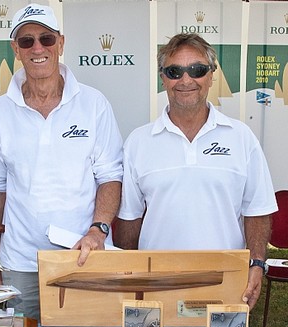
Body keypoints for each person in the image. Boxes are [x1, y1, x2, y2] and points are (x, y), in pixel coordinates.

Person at [0, 3, 123, 320]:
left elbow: (110, 177)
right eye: (27, 41)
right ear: (15, 49)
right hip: (19, 260)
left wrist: (98, 231)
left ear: (61, 42)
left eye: (46, 38)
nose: (38, 48)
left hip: (83, 256)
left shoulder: (94, 104)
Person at [113, 33, 277, 309]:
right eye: (175, 71)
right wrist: (130, 278)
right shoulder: (138, 142)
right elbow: (129, 222)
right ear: (163, 78)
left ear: (212, 76)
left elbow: (257, 210)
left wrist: (257, 264)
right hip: (155, 284)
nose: (186, 80)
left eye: (197, 70)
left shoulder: (241, 137)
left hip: (225, 282)